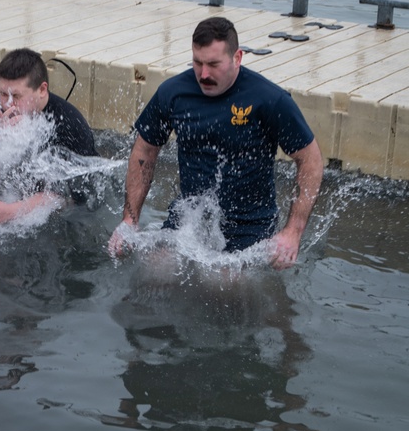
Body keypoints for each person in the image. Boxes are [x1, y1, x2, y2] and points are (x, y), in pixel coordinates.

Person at [108, 16, 323, 269]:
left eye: (213, 64)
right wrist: (130, 219)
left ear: (237, 58)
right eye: (197, 63)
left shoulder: (269, 99)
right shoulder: (173, 93)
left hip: (250, 226)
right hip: (191, 219)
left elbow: (310, 160)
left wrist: (292, 232)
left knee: (224, 282)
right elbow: (145, 149)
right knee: (155, 271)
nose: (204, 74)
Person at [0, 48, 97, 226]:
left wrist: (10, 212)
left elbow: (69, 196)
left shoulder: (69, 125)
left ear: (42, 90)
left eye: (16, 96)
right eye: (3, 94)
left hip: (64, 210)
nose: (8, 103)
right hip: (14, 192)